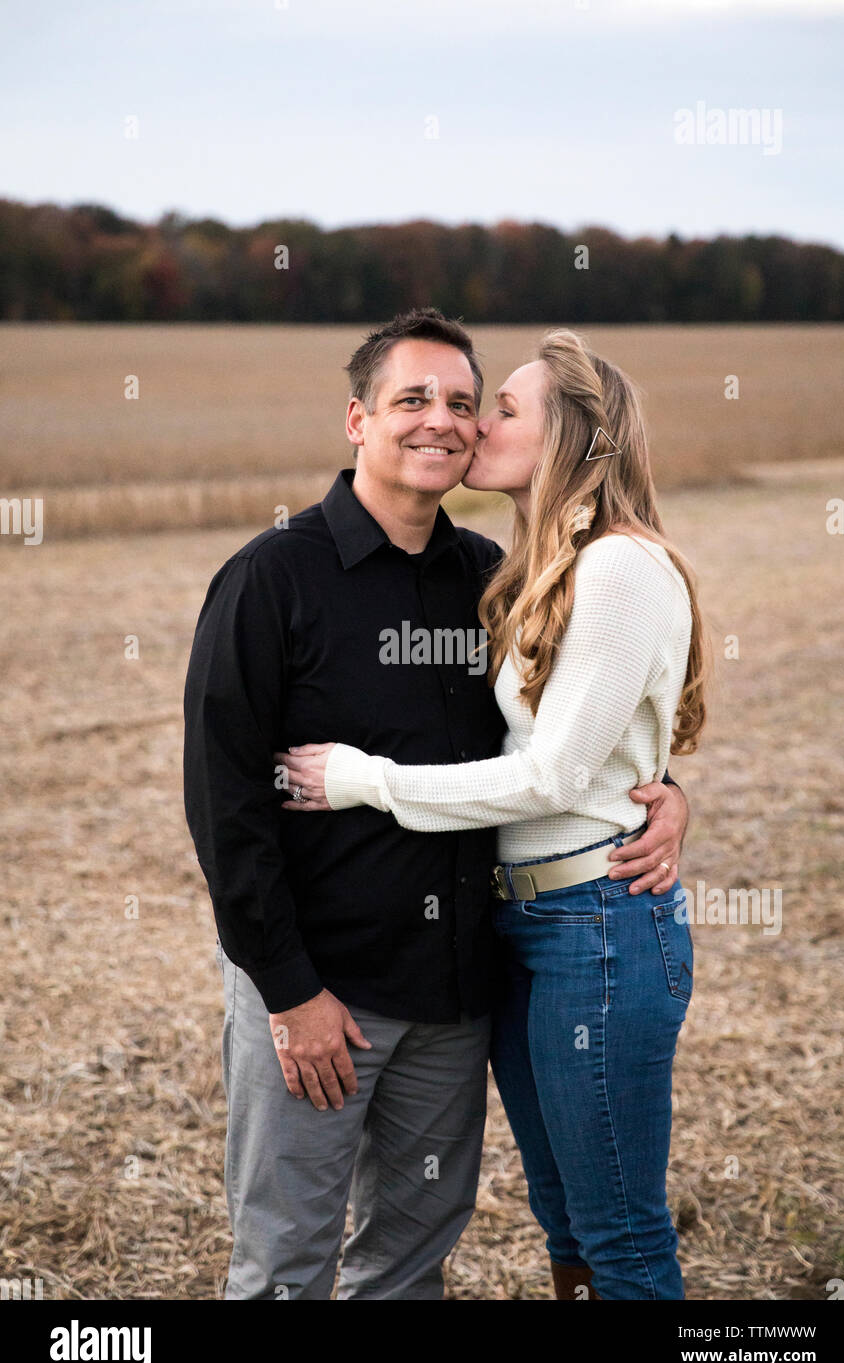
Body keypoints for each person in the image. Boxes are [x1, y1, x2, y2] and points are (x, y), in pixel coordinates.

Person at [183, 309, 690, 1301]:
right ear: (356, 419)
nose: (443, 422)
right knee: (285, 1264)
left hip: (458, 1000)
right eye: (411, 399)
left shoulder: (487, 581)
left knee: (409, 1264)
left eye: (466, 403)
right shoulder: (268, 578)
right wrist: (288, 993)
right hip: (319, 994)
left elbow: (557, 746)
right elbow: (224, 809)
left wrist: (664, 793)